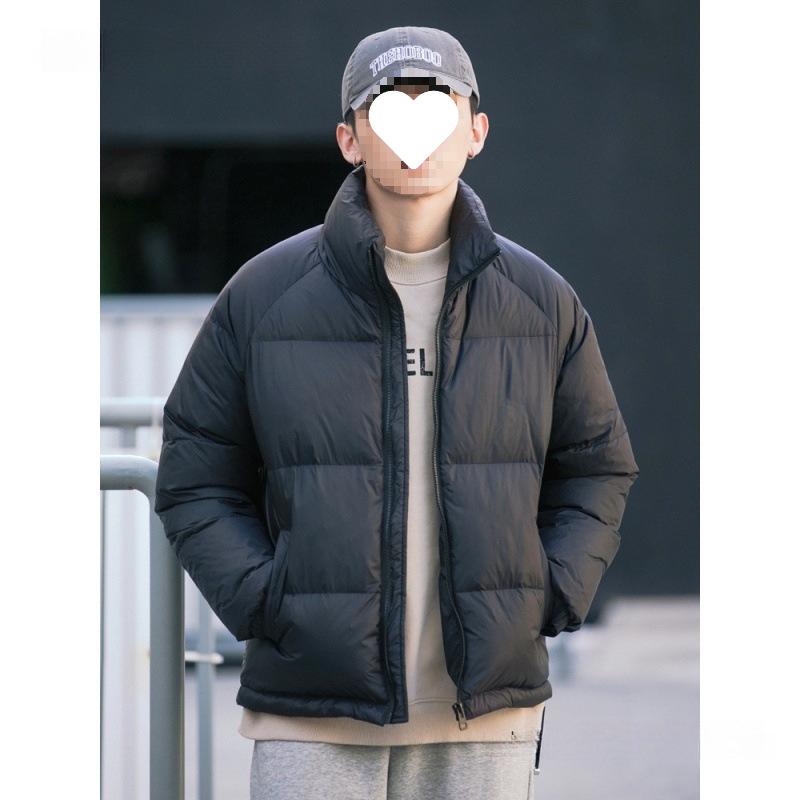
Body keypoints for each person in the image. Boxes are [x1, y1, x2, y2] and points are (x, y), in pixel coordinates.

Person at [154, 25, 639, 800]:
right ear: (349, 139)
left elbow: (598, 468)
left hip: (485, 715)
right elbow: (195, 474)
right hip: (311, 712)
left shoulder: (540, 302)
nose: (416, 137)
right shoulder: (264, 296)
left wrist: (545, 595)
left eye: (439, 110)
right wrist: (266, 601)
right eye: (387, 111)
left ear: (476, 133)